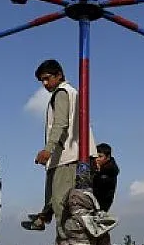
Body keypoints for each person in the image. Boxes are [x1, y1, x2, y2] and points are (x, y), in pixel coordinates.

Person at [21, 59, 96, 232]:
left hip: (68, 156)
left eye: (47, 78)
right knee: (56, 198)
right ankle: (43, 218)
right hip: (68, 154)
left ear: (59, 75)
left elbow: (60, 123)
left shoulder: (62, 93)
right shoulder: (72, 93)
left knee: (63, 204)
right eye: (42, 81)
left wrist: (48, 149)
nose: (45, 84)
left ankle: (66, 244)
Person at [92, 142, 120, 212]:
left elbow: (98, 186)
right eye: (96, 156)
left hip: (100, 207)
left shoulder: (110, 171)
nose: (97, 159)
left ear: (108, 157)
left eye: (100, 156)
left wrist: (96, 172)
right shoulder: (102, 169)